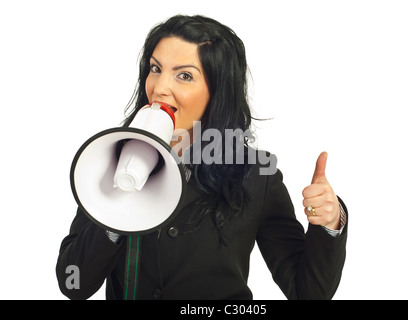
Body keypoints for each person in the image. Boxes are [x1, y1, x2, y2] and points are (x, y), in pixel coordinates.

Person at [56, 14, 348, 300]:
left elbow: (309, 293)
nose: (159, 88)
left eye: (184, 75)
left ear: (218, 91)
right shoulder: (111, 157)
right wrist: (115, 210)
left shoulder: (258, 175)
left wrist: (329, 223)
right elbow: (73, 283)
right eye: (155, 68)